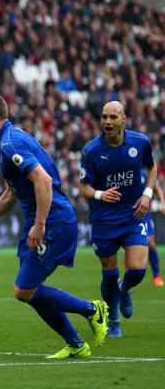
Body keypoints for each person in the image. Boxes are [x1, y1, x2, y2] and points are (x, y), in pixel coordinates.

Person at [0, 93, 108, 359]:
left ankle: (93, 310)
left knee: (24, 289)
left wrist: (39, 224)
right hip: (44, 220)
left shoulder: (10, 144)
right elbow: (12, 192)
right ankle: (75, 343)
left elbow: (43, 181)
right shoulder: (10, 139)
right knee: (30, 290)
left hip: (52, 222)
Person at [80, 101, 156, 338]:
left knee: (138, 269)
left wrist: (147, 194)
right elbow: (84, 187)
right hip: (104, 219)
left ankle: (124, 289)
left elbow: (152, 168)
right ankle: (113, 320)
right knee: (109, 272)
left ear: (124, 119)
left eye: (113, 117)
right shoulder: (91, 151)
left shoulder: (140, 142)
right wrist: (101, 194)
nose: (107, 122)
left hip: (134, 214)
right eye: (104, 117)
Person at [124, 170, 164, 287]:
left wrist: (163, 203)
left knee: (151, 243)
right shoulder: (125, 171)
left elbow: (156, 188)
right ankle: (129, 275)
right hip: (127, 212)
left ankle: (156, 275)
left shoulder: (143, 173)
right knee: (127, 243)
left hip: (143, 211)